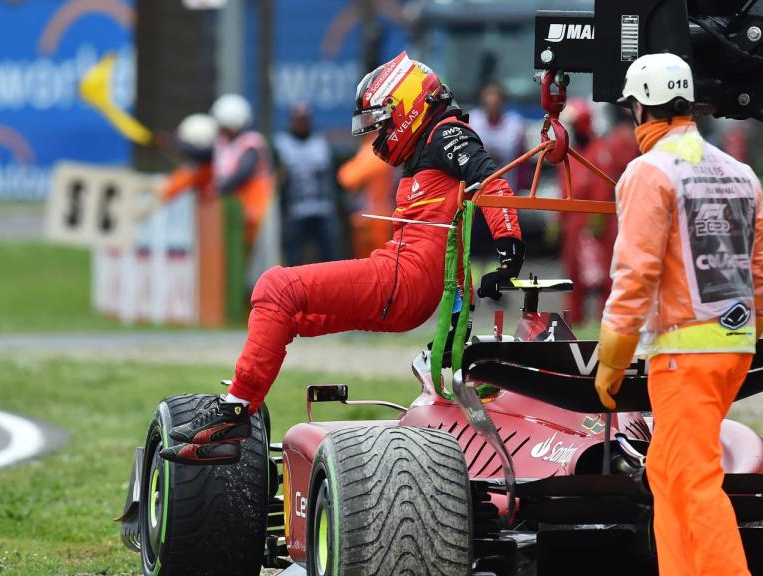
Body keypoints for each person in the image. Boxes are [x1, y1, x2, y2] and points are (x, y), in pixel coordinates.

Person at [160, 52, 523, 464]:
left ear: (407, 104)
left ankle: (236, 410)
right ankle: (236, 417)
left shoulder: (447, 134)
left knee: (274, 286)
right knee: (288, 317)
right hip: (410, 287)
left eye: (384, 120)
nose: (380, 134)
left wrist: (509, 251)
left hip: (403, 280)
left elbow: (491, 182)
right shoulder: (433, 140)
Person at [593, 53, 763, 576]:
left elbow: (635, 276)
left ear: (641, 108)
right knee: (668, 473)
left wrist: (612, 359)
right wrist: (742, 336)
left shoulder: (648, 173)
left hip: (682, 354)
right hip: (731, 348)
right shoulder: (739, 173)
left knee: (692, 480)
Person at [559, 102, 638, 324]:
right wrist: (558, 219)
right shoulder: (569, 154)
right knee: (573, 276)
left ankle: (608, 321)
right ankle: (574, 322)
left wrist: (598, 218)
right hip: (573, 223)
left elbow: (603, 187)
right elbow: (562, 189)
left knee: (605, 276)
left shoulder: (600, 151)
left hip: (598, 222)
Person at [273, 104, 339, 265]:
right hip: (295, 210)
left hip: (322, 208)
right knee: (293, 258)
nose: (301, 123)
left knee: (330, 257)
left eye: (304, 119)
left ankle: (331, 289)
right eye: (298, 119)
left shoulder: (321, 142)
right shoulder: (281, 144)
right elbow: (276, 180)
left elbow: (333, 177)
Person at [468, 80, 525, 258]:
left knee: (502, 240)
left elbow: (522, 159)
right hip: (477, 194)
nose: (492, 101)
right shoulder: (473, 121)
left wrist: (522, 191)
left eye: (496, 97)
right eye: (488, 96)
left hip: (505, 194)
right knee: (475, 241)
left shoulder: (514, 125)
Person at [211, 94, 275, 249]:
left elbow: (243, 172)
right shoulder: (224, 145)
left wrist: (218, 188)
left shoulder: (251, 143)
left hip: (254, 211)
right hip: (235, 212)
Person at [338, 132, 395, 257]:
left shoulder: (375, 149)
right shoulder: (372, 147)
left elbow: (347, 178)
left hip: (374, 217)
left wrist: (346, 168)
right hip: (370, 216)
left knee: (376, 263)